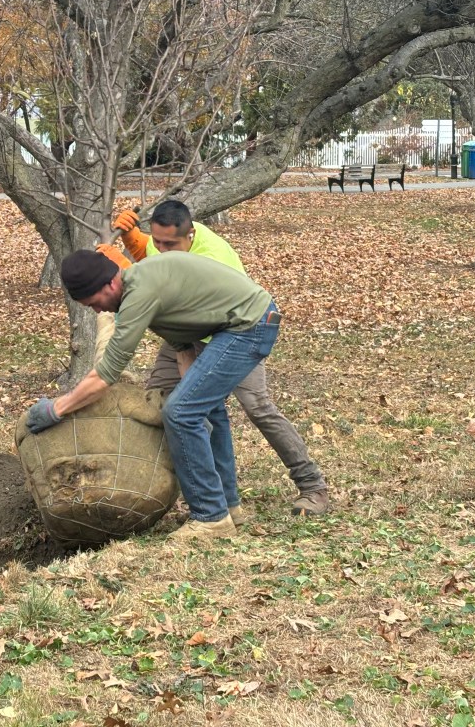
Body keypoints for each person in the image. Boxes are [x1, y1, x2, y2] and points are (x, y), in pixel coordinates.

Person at [25, 249, 282, 541]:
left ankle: (211, 517)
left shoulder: (141, 293)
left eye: (95, 303)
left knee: (180, 412)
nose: (99, 312)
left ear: (110, 284)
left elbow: (107, 372)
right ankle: (228, 507)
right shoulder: (144, 283)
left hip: (250, 326)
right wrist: (193, 393)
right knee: (204, 410)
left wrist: (57, 409)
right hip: (243, 323)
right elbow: (183, 347)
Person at [107, 201, 330, 517]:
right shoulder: (166, 243)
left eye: (169, 243)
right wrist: (133, 239)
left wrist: (120, 272)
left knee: (256, 406)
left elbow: (170, 287)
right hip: (184, 333)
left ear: (191, 234)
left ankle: (312, 486)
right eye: (158, 241)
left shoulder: (213, 254)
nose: (162, 248)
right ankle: (158, 493)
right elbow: (151, 256)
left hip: (234, 333)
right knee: (156, 399)